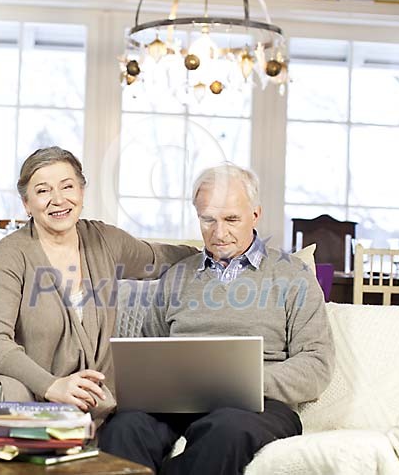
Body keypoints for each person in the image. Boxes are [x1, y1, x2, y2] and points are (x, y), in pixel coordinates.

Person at [98, 163, 335, 475]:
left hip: (255, 406)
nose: (219, 233)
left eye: (231, 219)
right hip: (176, 400)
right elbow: (149, 349)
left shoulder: (293, 276)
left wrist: (245, 382)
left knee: (226, 430)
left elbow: (316, 364)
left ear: (256, 214)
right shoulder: (177, 276)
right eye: (208, 219)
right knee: (124, 427)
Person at [0, 146, 197, 428]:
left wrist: (217, 250)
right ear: (26, 204)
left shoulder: (105, 240)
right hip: (0, 380)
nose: (58, 199)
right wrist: (52, 386)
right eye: (43, 190)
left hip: (74, 393)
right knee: (16, 399)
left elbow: (160, 258)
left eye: (67, 186)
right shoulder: (9, 255)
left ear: (81, 192)